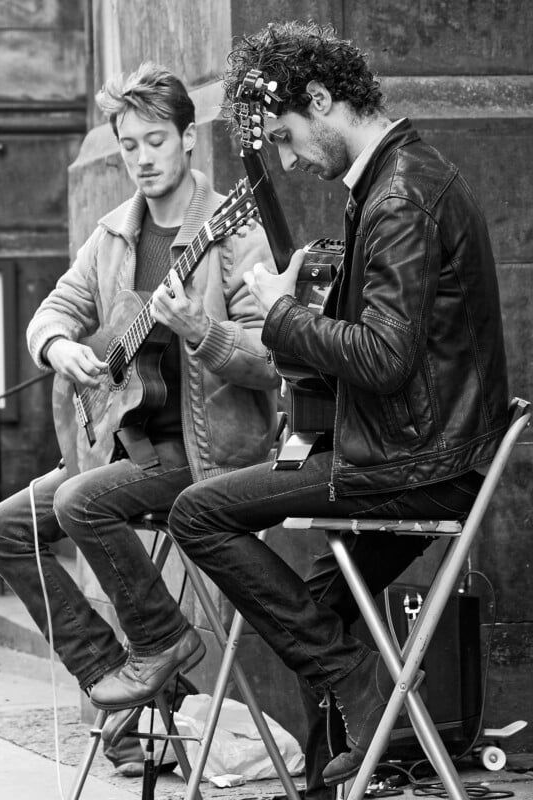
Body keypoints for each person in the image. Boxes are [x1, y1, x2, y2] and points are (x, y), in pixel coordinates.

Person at [163, 20, 509, 795]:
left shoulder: (399, 196)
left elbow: (383, 359)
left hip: (412, 462)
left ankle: (357, 678)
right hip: (418, 448)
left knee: (196, 514)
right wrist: (294, 325)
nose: (287, 160)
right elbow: (386, 350)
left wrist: (282, 313)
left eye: (286, 136)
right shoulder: (396, 181)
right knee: (318, 601)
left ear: (322, 99)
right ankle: (343, 772)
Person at [0, 62, 279, 745]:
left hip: (205, 453)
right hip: (119, 448)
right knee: (1, 529)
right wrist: (60, 348)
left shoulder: (234, 230)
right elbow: (50, 313)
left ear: (189, 138)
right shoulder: (113, 234)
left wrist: (196, 327)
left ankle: (163, 641)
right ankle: (123, 680)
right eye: (128, 146)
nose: (141, 159)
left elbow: (272, 362)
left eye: (155, 142)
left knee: (78, 501)